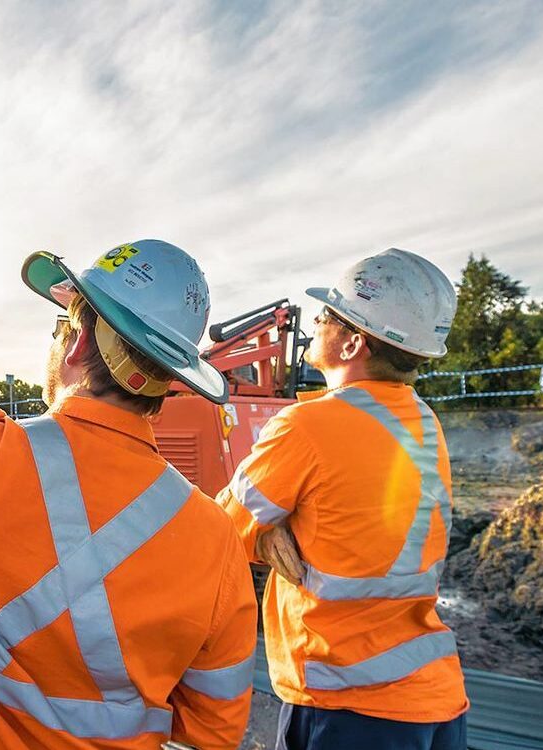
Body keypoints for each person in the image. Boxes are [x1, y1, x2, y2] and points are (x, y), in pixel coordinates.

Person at [0, 200, 258, 749]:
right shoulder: (216, 541)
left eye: (64, 324)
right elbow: (211, 729)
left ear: (78, 343)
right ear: (169, 379)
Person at [216, 248, 468, 750]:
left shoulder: (309, 425)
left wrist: (261, 533)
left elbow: (221, 528)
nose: (316, 320)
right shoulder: (422, 423)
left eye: (329, 314)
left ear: (353, 343)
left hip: (349, 704)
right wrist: (269, 531)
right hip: (431, 697)